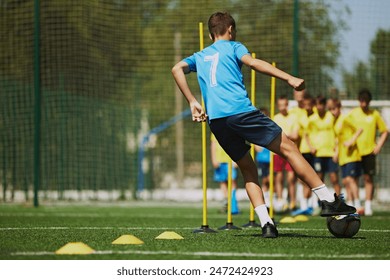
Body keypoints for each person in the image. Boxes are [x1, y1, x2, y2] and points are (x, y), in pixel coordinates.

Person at [172, 11, 356, 237]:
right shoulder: (234, 46)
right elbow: (254, 63)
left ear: (210, 36)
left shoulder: (200, 55)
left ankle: (266, 223)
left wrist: (192, 101)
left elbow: (176, 69)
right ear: (230, 30)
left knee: (248, 169)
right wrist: (288, 77)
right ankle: (329, 200)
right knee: (289, 148)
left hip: (218, 121)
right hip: (241, 112)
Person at [349, 89, 388, 216]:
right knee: (353, 178)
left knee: (368, 178)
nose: (364, 104)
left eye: (366, 101)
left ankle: (368, 205)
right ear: (358, 101)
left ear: (369, 102)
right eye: (361, 101)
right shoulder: (353, 114)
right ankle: (356, 203)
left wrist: (379, 146)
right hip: (355, 152)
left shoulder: (375, 114)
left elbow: (385, 131)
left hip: (369, 152)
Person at [306, 96, 341, 213]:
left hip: (330, 153)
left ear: (325, 105)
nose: (319, 107)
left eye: (321, 104)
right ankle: (318, 202)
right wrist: (311, 147)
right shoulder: (312, 119)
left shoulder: (331, 117)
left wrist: (336, 151)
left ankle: (339, 202)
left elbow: (337, 134)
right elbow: (306, 135)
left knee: (334, 178)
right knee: (318, 178)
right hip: (318, 154)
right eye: (317, 104)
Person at [328, 98, 363, 213]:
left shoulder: (346, 118)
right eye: (330, 109)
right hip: (343, 156)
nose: (332, 112)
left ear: (339, 108)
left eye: (334, 109)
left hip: (352, 154)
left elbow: (359, 129)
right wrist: (336, 152)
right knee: (346, 181)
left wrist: (351, 141)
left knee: (351, 180)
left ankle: (358, 204)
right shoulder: (335, 121)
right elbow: (338, 139)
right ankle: (351, 204)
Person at [272, 95, 299, 211]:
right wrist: (287, 135)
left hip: (291, 151)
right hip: (277, 151)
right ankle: (280, 200)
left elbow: (296, 135)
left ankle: (292, 201)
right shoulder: (275, 118)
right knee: (278, 177)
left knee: (291, 177)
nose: (282, 107)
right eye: (280, 105)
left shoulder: (294, 117)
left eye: (284, 105)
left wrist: (283, 135)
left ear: (287, 105)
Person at [210, 133, 239, 214]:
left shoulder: (232, 128)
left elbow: (237, 144)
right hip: (220, 160)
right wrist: (214, 159)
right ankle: (226, 201)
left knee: (232, 181)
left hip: (230, 160)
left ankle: (233, 203)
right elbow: (213, 145)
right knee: (222, 182)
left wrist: (236, 159)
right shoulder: (214, 131)